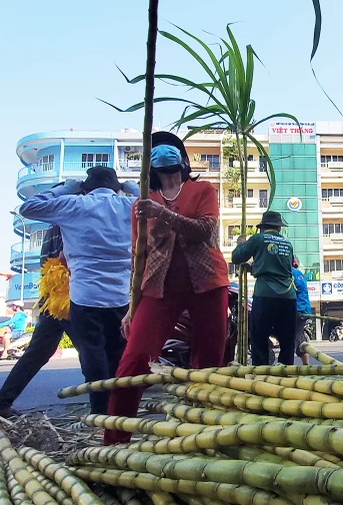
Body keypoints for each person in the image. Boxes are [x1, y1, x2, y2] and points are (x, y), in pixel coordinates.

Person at [104, 136, 230, 445]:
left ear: (183, 160)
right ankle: (114, 443)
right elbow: (139, 257)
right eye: (156, 149)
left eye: (170, 149)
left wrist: (163, 215)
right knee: (132, 364)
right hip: (159, 289)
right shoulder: (141, 204)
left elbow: (205, 231)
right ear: (150, 164)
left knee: (208, 366)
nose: (163, 154)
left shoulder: (202, 190)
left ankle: (206, 439)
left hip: (208, 284)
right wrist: (132, 308)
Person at [19, 166, 136, 415]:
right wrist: (132, 187)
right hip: (119, 296)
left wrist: (65, 188)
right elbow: (162, 207)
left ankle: (99, 412)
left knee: (93, 355)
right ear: (116, 187)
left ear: (85, 188)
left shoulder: (73, 205)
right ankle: (119, 414)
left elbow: (28, 207)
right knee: (118, 355)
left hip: (85, 295)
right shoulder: (131, 207)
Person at [0, 227, 77, 417]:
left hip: (52, 299)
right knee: (94, 353)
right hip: (71, 298)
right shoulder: (74, 219)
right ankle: (105, 410)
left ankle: (0, 402)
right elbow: (65, 259)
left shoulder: (54, 226)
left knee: (36, 354)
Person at [232, 211, 296, 366]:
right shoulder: (287, 243)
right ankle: (286, 372)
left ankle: (261, 374)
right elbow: (282, 268)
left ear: (262, 227)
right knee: (287, 339)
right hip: (288, 296)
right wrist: (255, 267)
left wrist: (241, 244)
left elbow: (236, 257)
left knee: (259, 337)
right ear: (279, 228)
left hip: (265, 294)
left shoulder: (258, 239)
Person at [291, 257, 312, 365]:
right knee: (298, 334)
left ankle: (306, 364)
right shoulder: (299, 273)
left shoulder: (288, 273)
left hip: (297, 310)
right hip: (304, 309)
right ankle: (305, 364)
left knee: (296, 336)